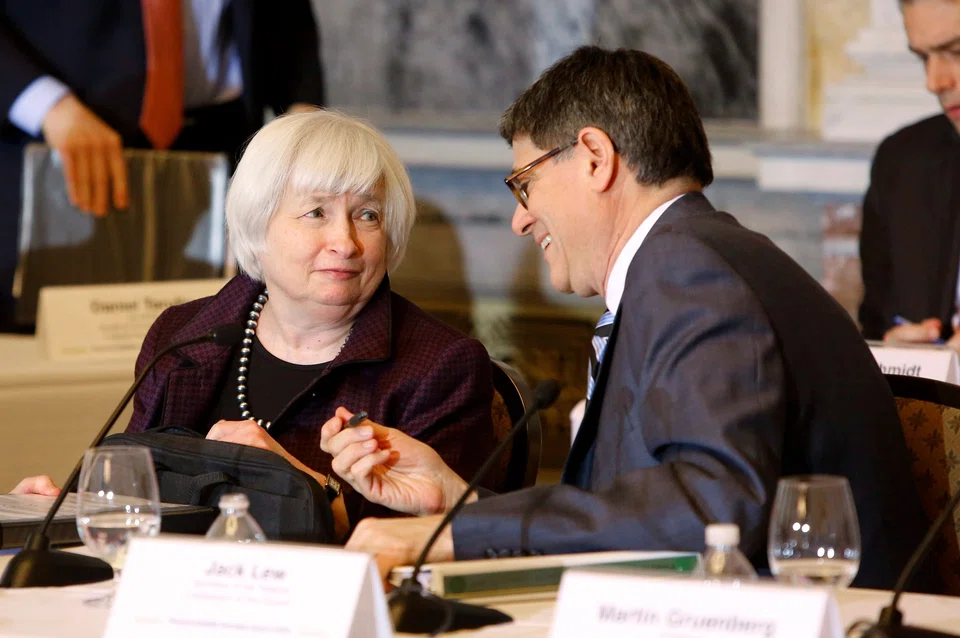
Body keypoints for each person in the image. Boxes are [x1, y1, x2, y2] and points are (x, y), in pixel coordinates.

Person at [323, 46, 935, 591]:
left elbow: (713, 511)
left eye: (525, 184)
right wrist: (457, 501)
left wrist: (458, 535)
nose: (520, 219)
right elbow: (645, 519)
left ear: (595, 157)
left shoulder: (689, 273)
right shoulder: (697, 258)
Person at [12, 109, 498, 542]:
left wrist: (293, 478)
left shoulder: (438, 365)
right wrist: (66, 510)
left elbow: (437, 543)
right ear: (257, 224)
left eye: (367, 215)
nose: (346, 242)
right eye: (317, 212)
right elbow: (138, 490)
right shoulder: (182, 335)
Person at [0, 0, 326, 330]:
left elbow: (285, 21)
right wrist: (45, 104)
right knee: (52, 335)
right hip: (56, 142)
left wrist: (302, 114)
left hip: (225, 147)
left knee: (208, 338)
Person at [859, 0, 960, 346]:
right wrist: (897, 359)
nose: (935, 82)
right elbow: (875, 325)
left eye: (957, 51)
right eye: (923, 58)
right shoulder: (902, 161)